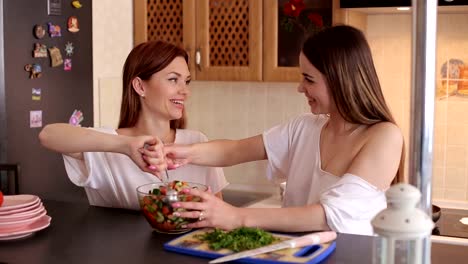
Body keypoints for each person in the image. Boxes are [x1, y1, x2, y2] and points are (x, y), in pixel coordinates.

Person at [157, 25, 404, 236]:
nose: (300, 88)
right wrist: (179, 152)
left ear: (339, 79)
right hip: (296, 256)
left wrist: (236, 217)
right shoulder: (304, 128)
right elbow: (234, 150)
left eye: (309, 79)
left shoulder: (384, 136)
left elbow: (329, 216)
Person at [39, 40, 228, 210]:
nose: (185, 91)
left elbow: (219, 215)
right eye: (173, 79)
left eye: (186, 81)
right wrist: (126, 146)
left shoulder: (197, 141)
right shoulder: (105, 145)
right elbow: (48, 135)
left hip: (185, 248)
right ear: (140, 86)